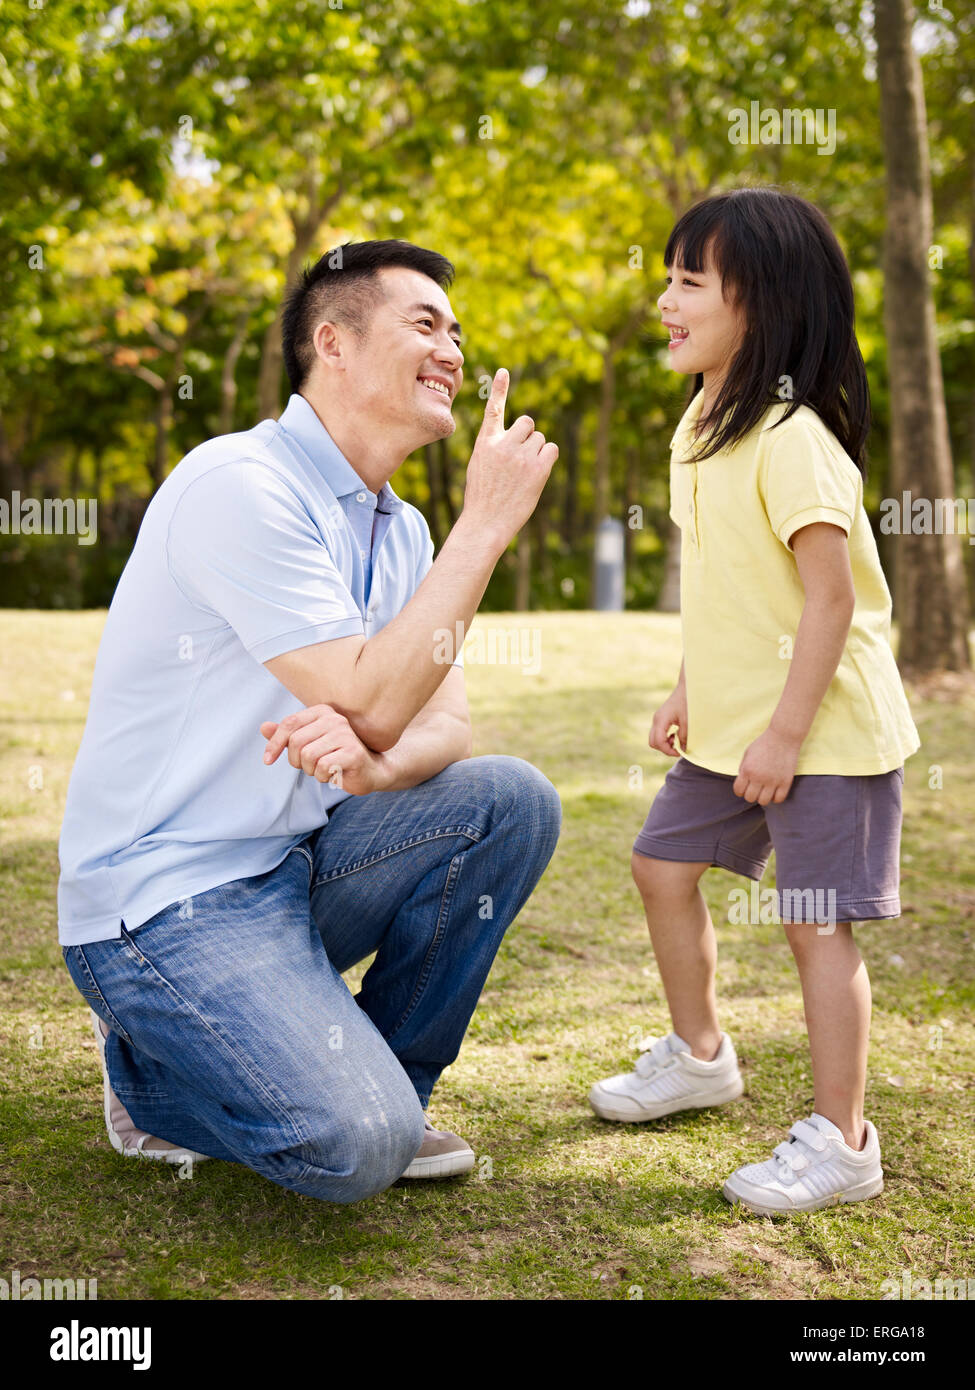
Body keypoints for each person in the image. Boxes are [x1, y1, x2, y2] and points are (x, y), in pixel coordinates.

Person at [58, 239, 562, 1202]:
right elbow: (375, 697)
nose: (452, 349)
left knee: (510, 799)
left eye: (456, 331)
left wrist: (377, 770)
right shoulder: (240, 485)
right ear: (332, 342)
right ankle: (152, 1078)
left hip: (294, 864)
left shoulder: (401, 527)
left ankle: (391, 1092)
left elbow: (446, 727)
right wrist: (486, 526)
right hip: (168, 901)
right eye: (425, 324)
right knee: (349, 1153)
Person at [588, 188, 921, 1215]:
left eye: (690, 281)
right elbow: (727, 582)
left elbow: (830, 600)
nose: (665, 299)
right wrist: (692, 686)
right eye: (670, 276)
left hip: (827, 732)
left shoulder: (794, 439)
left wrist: (782, 731)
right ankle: (700, 1056)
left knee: (815, 924)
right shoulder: (701, 428)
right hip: (736, 727)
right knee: (660, 865)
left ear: (762, 301)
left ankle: (843, 1141)